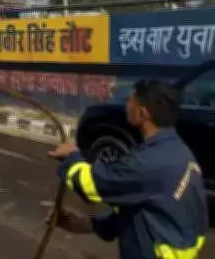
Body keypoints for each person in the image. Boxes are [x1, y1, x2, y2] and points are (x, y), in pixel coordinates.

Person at [48, 78, 208, 259]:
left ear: (142, 113)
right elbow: (136, 209)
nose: (126, 107)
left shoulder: (147, 162)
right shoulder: (178, 150)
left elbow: (92, 185)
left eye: (129, 102)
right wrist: (81, 224)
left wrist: (71, 157)